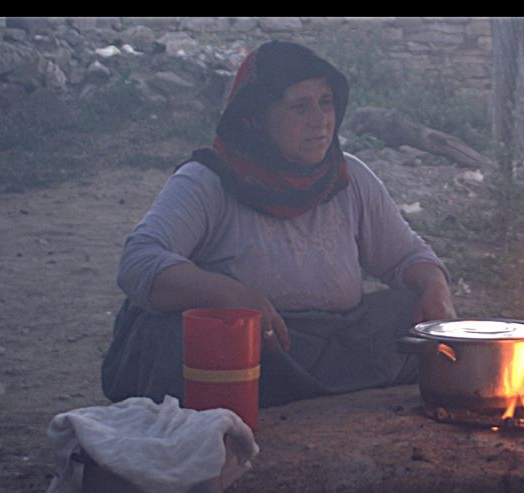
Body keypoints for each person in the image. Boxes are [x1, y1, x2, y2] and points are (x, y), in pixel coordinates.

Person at [101, 40, 456, 409]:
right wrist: (233, 297)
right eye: (300, 106)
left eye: (326, 102)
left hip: (333, 342)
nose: (320, 120)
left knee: (410, 311)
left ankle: (306, 393)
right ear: (256, 118)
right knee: (174, 335)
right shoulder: (211, 180)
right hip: (249, 350)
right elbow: (139, 260)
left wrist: (435, 286)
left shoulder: (348, 178)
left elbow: (406, 256)